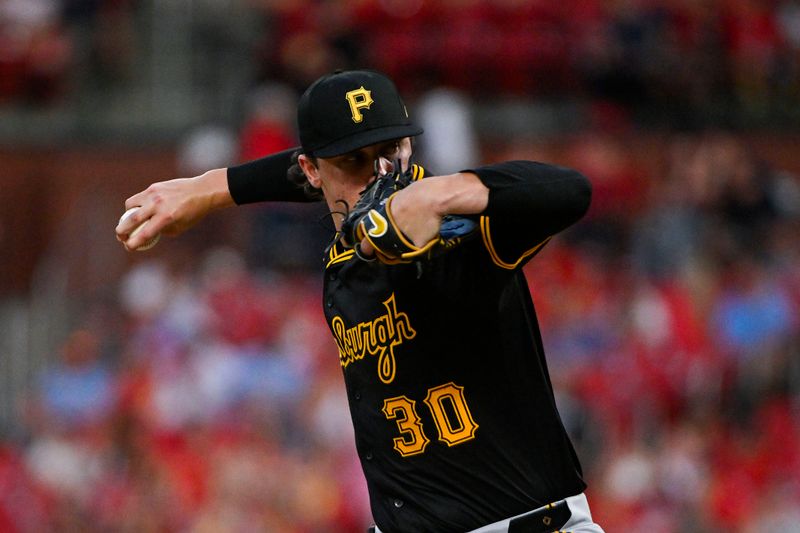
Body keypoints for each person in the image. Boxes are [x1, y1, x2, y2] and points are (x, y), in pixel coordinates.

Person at [116, 69, 602, 533]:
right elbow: (338, 191)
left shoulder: (462, 231)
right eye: (354, 160)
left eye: (391, 150)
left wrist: (448, 191)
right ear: (311, 171)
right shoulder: (343, 241)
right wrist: (212, 187)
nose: (379, 174)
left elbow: (570, 191)